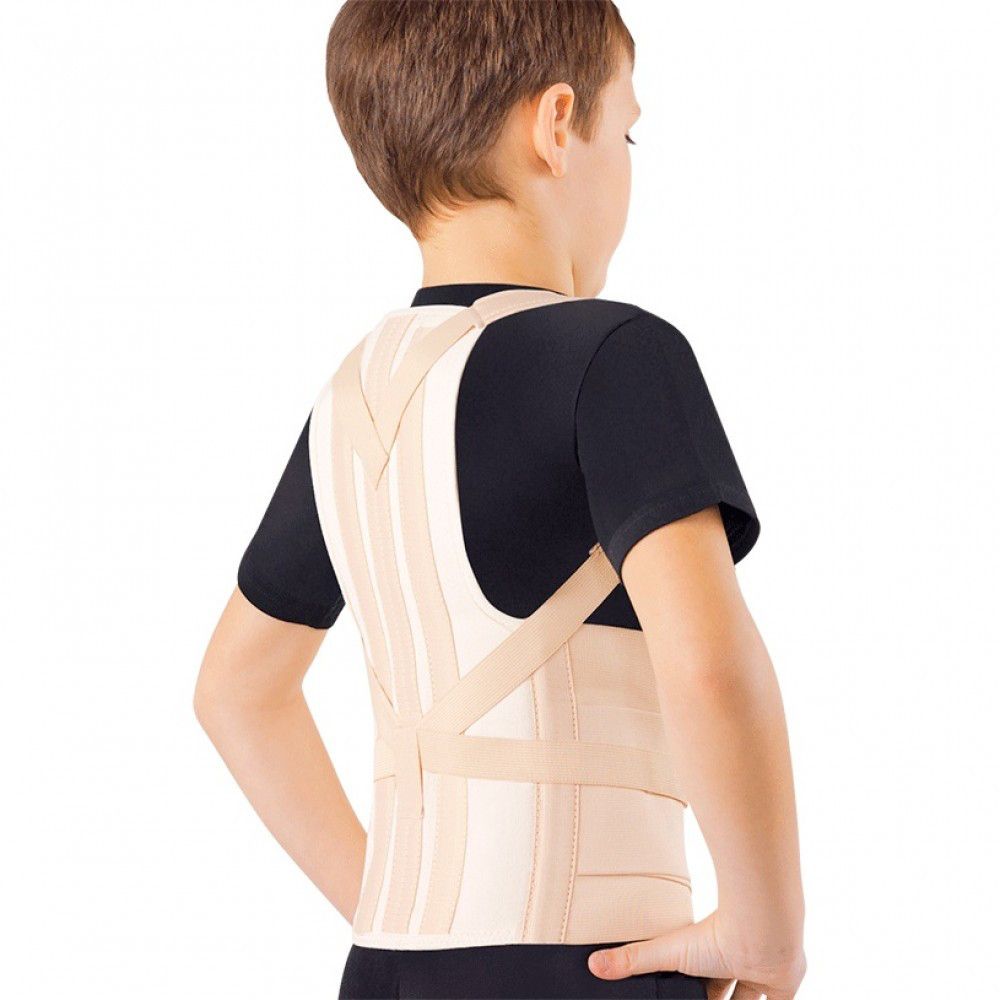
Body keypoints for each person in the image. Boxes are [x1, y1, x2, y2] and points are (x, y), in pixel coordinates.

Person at [194, 3, 806, 998]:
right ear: (556, 124)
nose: (628, 165)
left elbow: (235, 690)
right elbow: (710, 667)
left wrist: (394, 905)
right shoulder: (617, 355)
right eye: (627, 133)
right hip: (593, 965)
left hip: (388, 968)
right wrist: (765, 933)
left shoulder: (351, 401)